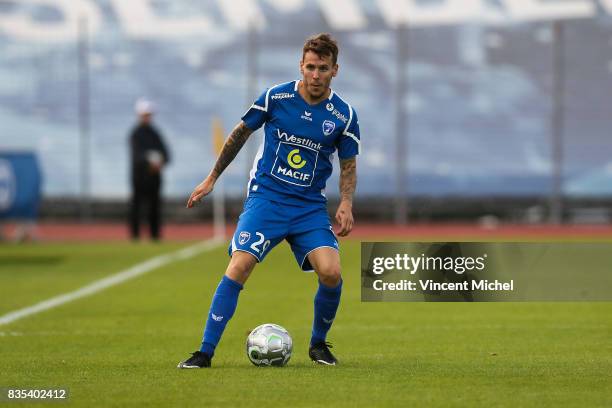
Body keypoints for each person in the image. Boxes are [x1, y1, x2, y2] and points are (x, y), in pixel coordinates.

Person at [178, 33, 360, 368]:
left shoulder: (344, 115)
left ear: (335, 70)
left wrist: (346, 202)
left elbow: (348, 165)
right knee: (239, 266)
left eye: (323, 68)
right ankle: (204, 352)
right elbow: (240, 133)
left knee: (332, 272)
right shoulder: (276, 98)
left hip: (308, 209)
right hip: (268, 200)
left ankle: (318, 345)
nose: (315, 74)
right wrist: (211, 178)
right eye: (310, 67)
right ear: (300, 67)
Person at [128, 98, 170, 241]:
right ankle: (135, 235)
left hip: (154, 177)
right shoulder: (135, 134)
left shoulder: (155, 134)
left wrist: (161, 162)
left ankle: (155, 235)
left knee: (154, 206)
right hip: (139, 177)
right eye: (145, 114)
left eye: (149, 114)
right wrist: (149, 162)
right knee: (137, 206)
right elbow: (137, 156)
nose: (147, 117)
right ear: (139, 115)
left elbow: (166, 154)